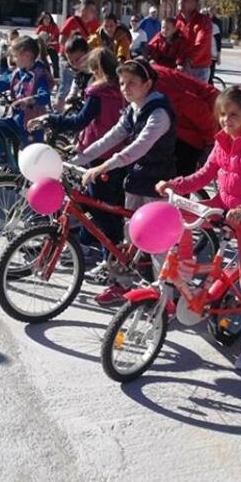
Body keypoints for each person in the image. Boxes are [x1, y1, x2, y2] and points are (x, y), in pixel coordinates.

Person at [159, 86, 241, 371]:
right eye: (222, 114)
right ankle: (185, 273)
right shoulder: (222, 141)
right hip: (223, 205)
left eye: (233, 114)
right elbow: (204, 175)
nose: (226, 120)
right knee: (181, 211)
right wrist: (175, 184)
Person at [73, 59, 177, 304]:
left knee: (158, 243)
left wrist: (102, 167)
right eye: (122, 83)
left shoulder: (159, 112)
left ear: (147, 83)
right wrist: (79, 158)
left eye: (132, 83)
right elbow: (111, 137)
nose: (125, 88)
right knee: (130, 236)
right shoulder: (133, 109)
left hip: (158, 184)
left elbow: (137, 148)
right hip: (137, 179)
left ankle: (166, 299)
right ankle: (122, 284)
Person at [30, 48, 125, 246]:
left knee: (94, 205)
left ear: (97, 69)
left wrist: (51, 119)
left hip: (98, 155)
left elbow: (79, 121)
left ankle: (105, 246)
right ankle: (94, 244)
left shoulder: (99, 93)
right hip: (116, 152)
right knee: (107, 206)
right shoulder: (119, 90)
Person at [0, 35, 52, 145]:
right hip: (15, 121)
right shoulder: (17, 74)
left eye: (15, 56)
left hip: (32, 125)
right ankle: (1, 159)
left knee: (29, 158)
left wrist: (28, 100)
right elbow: (0, 85)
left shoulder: (39, 75)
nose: (13, 60)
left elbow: (45, 96)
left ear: (27, 55)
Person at [175, 0, 214, 82]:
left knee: (195, 95)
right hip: (179, 66)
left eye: (185, 0)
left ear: (194, 3)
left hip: (198, 68)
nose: (180, 2)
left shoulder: (203, 21)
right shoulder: (176, 21)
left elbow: (201, 44)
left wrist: (188, 60)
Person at [35, 12, 61, 78]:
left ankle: (56, 76)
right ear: (42, 20)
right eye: (45, 18)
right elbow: (38, 38)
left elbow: (53, 37)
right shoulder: (40, 28)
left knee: (55, 60)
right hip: (42, 47)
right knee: (40, 60)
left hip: (52, 46)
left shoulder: (54, 26)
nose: (47, 20)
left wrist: (49, 42)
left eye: (48, 18)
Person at [207, 6, 222, 85]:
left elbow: (218, 42)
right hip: (202, 56)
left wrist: (218, 56)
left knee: (209, 78)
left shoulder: (214, 26)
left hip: (212, 55)